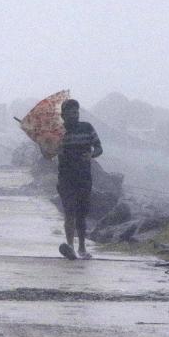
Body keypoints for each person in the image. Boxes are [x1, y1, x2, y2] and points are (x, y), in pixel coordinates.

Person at [56, 99, 102, 260]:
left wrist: (91, 154)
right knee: (69, 212)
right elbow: (48, 154)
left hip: (84, 177)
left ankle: (82, 247)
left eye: (76, 112)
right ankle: (70, 246)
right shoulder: (57, 132)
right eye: (70, 113)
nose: (74, 115)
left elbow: (99, 148)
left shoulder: (87, 128)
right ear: (63, 115)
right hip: (65, 178)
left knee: (81, 214)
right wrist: (46, 146)